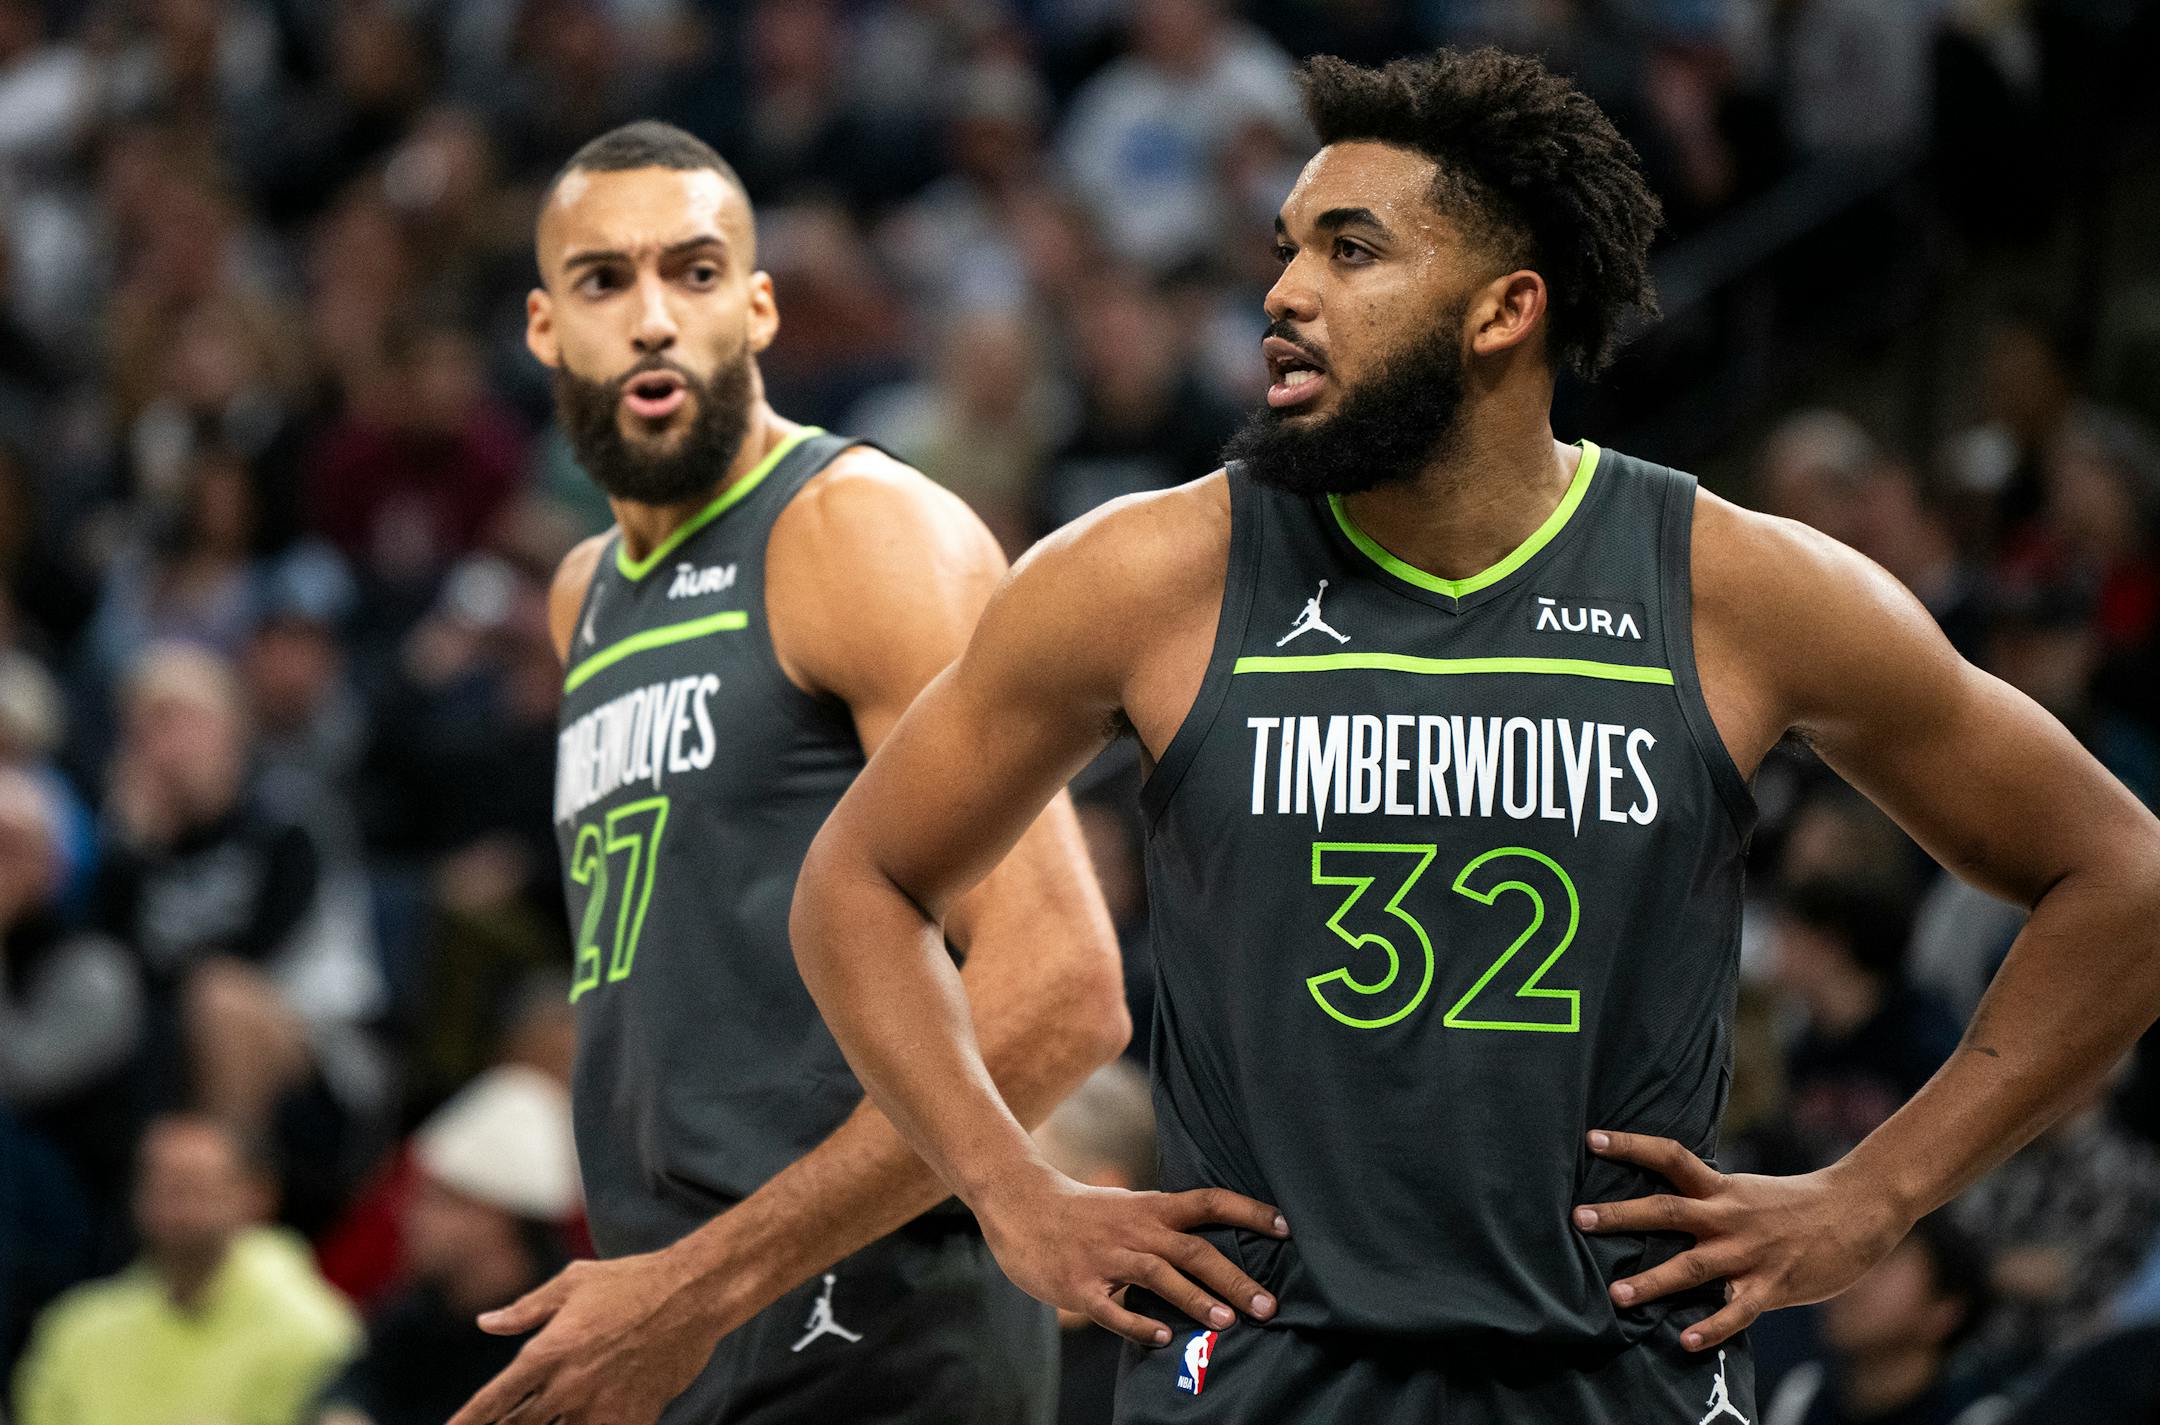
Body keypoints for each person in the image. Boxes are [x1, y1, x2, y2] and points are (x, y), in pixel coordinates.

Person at [788, 48, 2160, 1424]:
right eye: (1285, 249)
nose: (1283, 292)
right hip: (1263, 1374)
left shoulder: (1735, 587)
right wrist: (1010, 1191)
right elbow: (858, 884)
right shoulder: (1145, 577)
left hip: (1617, 1377)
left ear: (1506, 310)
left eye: (1351, 250)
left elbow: (2126, 881)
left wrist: (1876, 1194)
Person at [445, 122, 1126, 1425]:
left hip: (882, 1337)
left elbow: (1061, 992)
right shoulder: (583, 597)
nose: (653, 317)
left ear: (758, 307)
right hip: (689, 1335)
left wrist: (695, 1286)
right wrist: (673, 1299)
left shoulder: (861, 534)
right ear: (544, 328)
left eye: (693, 272)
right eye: (604, 280)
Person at [11, 1114, 360, 1425]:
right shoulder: (76, 1325)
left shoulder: (315, 1330)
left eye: (194, 1186)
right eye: (160, 1183)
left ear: (256, 1196)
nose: (173, 1204)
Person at [316, 1066, 578, 1425]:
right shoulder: (420, 1310)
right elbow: (353, 1383)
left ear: (502, 1221)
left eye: (444, 1202)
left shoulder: (566, 1337)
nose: (412, 1216)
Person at [1760, 1216, 2001, 1425]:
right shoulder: (1802, 1394)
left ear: (1946, 1311)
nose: (1852, 1282)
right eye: (1857, 1259)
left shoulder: (1979, 1417)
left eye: (1885, 1262)